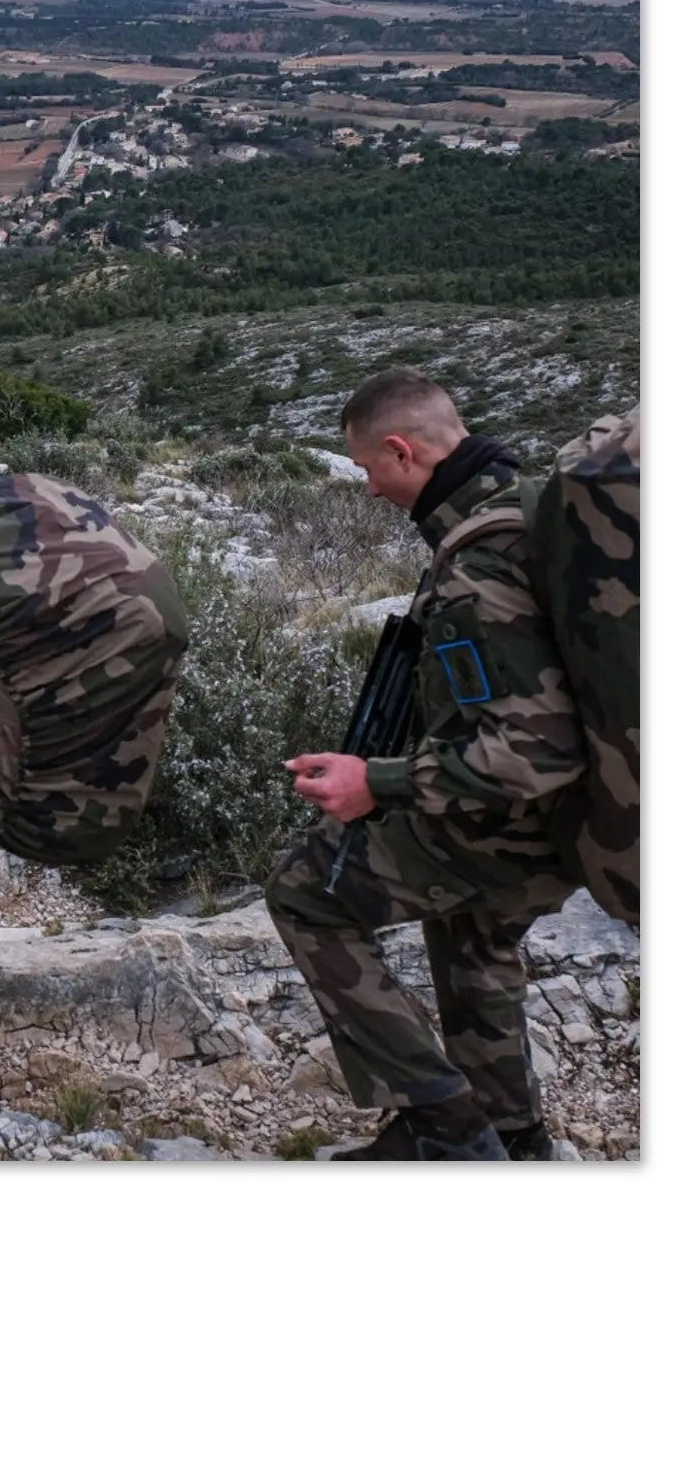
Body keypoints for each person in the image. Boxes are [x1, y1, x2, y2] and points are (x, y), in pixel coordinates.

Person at [265, 372, 583, 1161]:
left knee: (306, 893)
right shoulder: (534, 509)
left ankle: (445, 1130)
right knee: (472, 931)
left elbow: (533, 751)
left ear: (402, 451)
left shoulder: (478, 562)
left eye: (370, 469)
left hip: (522, 827)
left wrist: (379, 782)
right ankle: (514, 1134)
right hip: (587, 822)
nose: (370, 490)